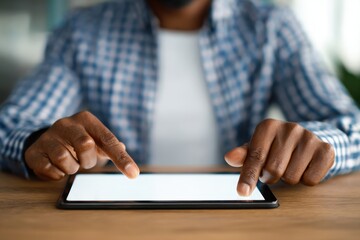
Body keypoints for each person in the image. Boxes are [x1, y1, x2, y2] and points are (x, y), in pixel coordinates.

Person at [0, 0, 359, 196]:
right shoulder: (81, 31)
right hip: (115, 225)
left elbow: (351, 128)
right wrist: (36, 143)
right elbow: (10, 127)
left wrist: (319, 146)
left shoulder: (273, 28)